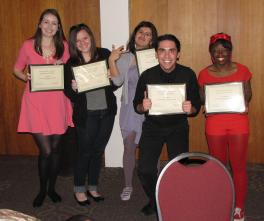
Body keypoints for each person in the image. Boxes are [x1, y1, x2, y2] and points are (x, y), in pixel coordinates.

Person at [133, 34, 201, 215]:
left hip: (178, 127)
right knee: (145, 169)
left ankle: (174, 199)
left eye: (172, 50)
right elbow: (136, 105)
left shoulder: (188, 74)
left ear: (178, 54)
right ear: (156, 53)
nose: (167, 55)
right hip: (153, 127)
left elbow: (196, 105)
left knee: (179, 168)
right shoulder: (147, 75)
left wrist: (191, 108)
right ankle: (156, 200)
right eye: (162, 50)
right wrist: (143, 106)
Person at [13, 9, 73, 207]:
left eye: (54, 23)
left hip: (57, 103)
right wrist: (26, 77)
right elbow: (17, 69)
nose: (49, 26)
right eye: (46, 22)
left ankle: (52, 189)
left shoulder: (63, 46)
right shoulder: (28, 45)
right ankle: (41, 190)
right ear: (40, 24)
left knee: (56, 149)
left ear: (58, 28)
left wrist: (63, 70)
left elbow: (69, 71)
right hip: (36, 104)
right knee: (46, 150)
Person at [198, 33, 252, 221]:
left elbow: (248, 95)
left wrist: (239, 98)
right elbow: (202, 99)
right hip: (214, 124)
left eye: (224, 50)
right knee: (218, 166)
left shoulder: (243, 70)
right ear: (211, 53)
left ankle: (238, 207)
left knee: (238, 166)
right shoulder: (204, 74)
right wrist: (210, 98)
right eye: (215, 50)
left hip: (238, 122)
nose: (220, 53)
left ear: (231, 51)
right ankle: (221, 202)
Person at [64, 23, 117, 206]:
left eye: (85, 38)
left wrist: (111, 75)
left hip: (107, 113)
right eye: (77, 41)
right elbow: (68, 93)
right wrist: (74, 89)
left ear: (91, 37)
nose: (82, 43)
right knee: (84, 152)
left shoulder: (104, 54)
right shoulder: (71, 63)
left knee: (97, 151)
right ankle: (79, 188)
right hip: (86, 115)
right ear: (74, 44)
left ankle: (93, 186)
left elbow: (116, 84)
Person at [109, 21, 158, 201]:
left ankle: (154, 185)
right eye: (140, 32)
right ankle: (128, 185)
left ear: (152, 39)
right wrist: (112, 60)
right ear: (134, 34)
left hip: (152, 107)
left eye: (148, 33)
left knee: (150, 149)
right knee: (129, 147)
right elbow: (116, 81)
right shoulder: (126, 56)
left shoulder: (157, 55)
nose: (143, 36)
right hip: (131, 109)